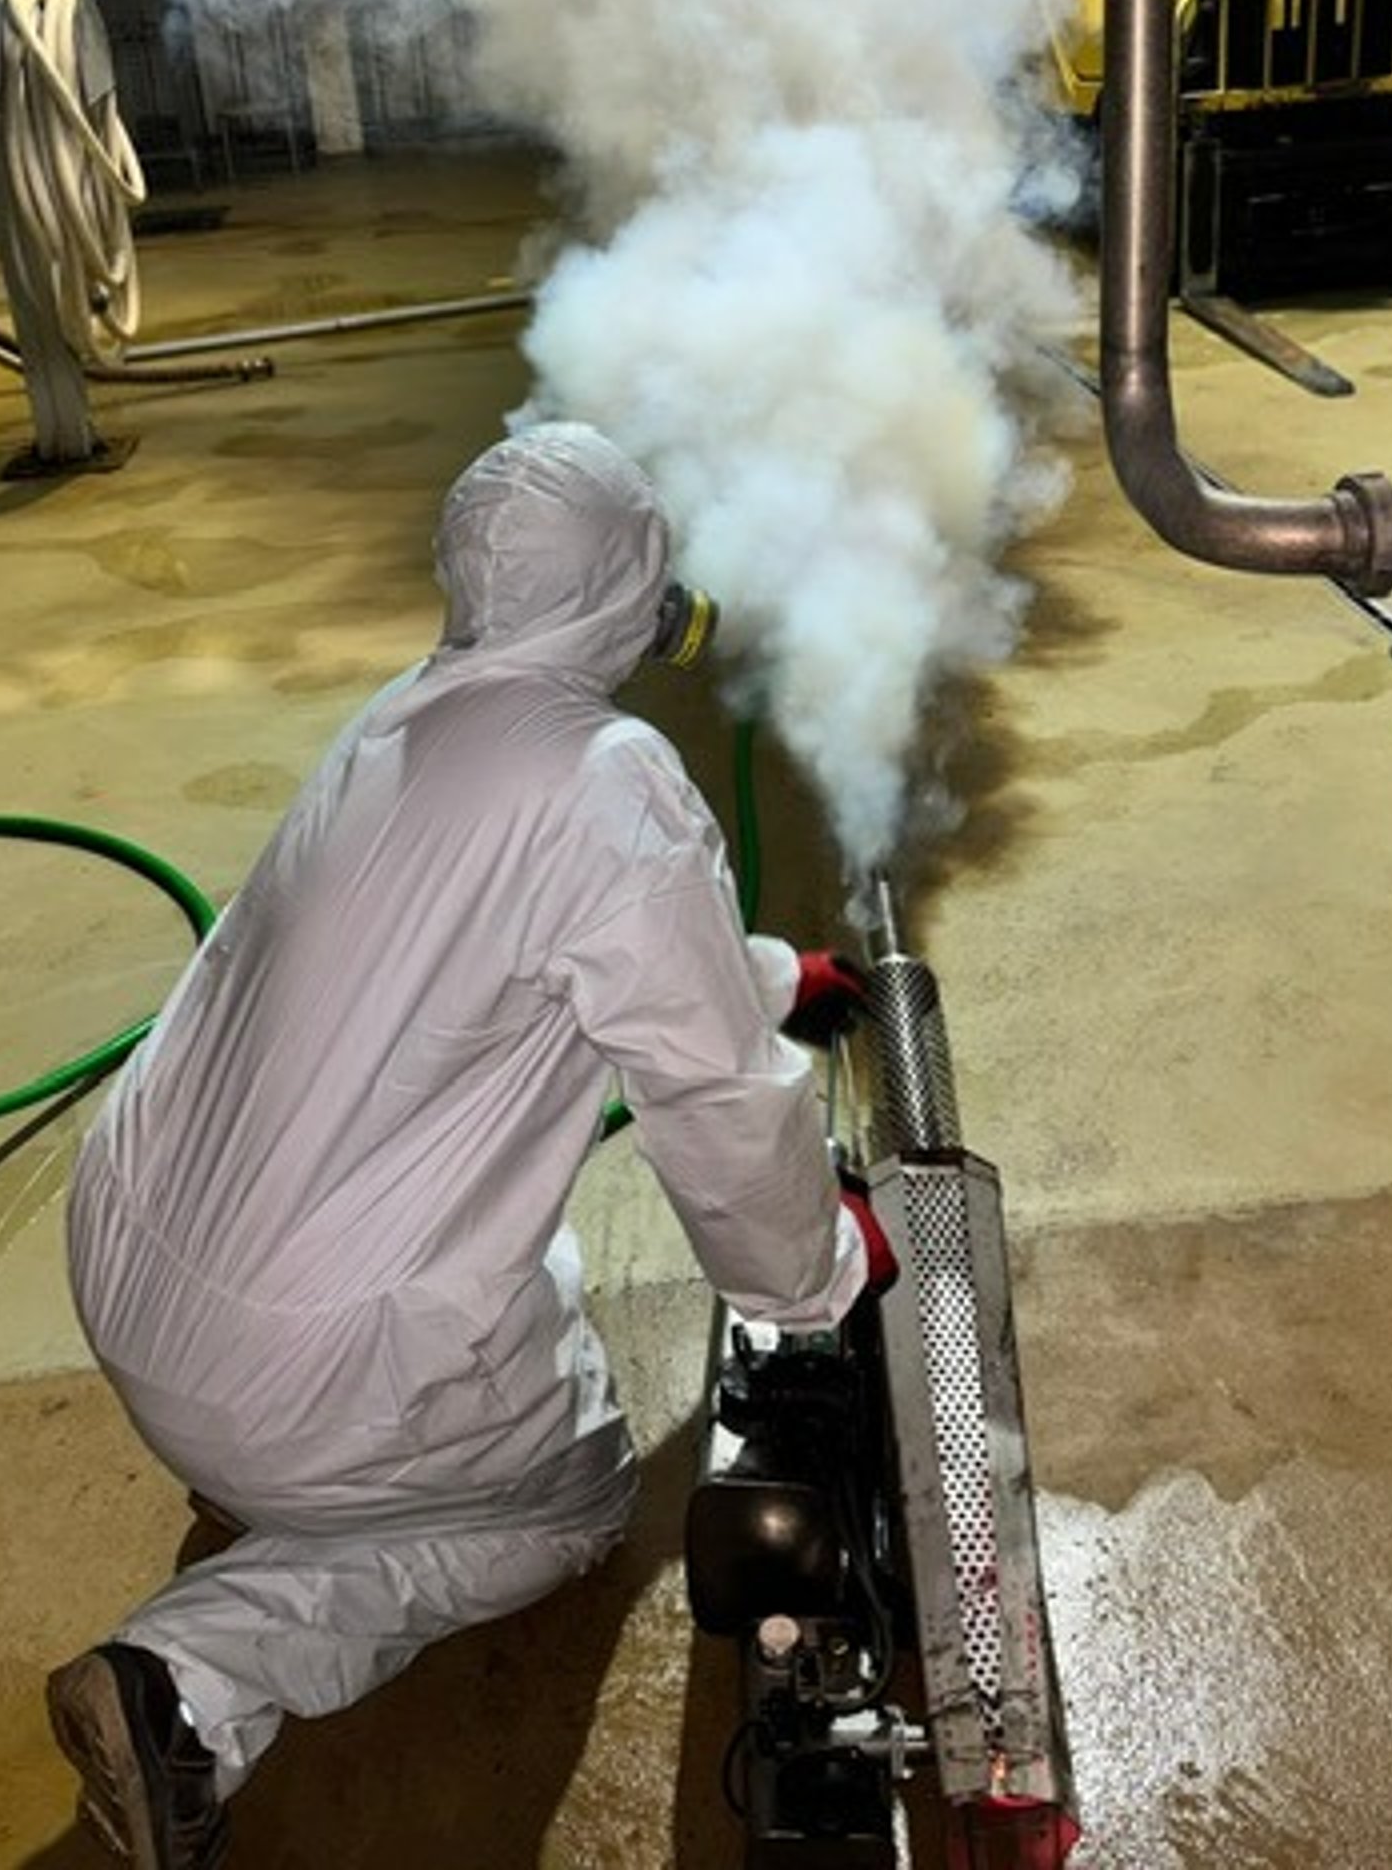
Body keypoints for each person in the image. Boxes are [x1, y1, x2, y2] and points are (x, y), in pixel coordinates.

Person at [45, 419, 885, 1870]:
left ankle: (281, 1487)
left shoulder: (407, 713)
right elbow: (715, 1106)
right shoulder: (608, 776)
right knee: (572, 1504)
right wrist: (815, 1280)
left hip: (135, 1257)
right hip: (296, 1367)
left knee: (471, 1278)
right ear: (634, 594)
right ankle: (189, 1691)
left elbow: (554, 951)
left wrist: (761, 978)